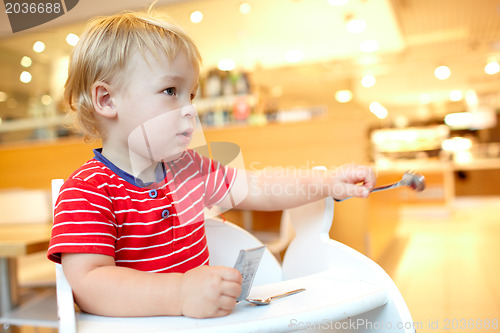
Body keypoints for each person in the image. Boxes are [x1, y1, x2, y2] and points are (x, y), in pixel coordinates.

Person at [47, 11, 376, 319]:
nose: (190, 110)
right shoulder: (87, 190)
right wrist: (179, 294)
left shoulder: (187, 168)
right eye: (170, 90)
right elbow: (88, 284)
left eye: (190, 95)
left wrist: (328, 183)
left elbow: (259, 186)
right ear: (107, 100)